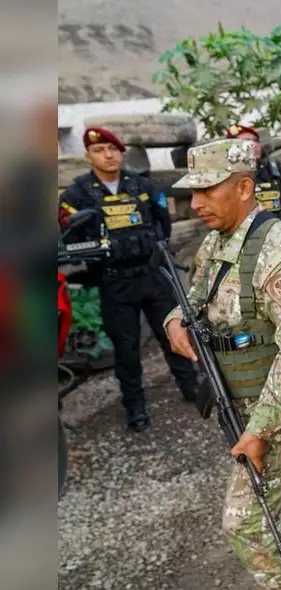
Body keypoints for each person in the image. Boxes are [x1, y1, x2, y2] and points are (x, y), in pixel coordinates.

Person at [164, 138, 281, 589]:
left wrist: (259, 431)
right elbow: (193, 302)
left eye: (208, 190)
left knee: (244, 521)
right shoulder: (216, 243)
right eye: (193, 192)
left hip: (277, 409)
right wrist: (175, 323)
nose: (195, 204)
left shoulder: (277, 251)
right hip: (241, 396)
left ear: (245, 186)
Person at [58, 126, 200, 431]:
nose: (108, 155)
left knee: (173, 334)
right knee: (126, 347)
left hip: (152, 275)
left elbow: (163, 225)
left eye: (113, 149)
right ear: (88, 156)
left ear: (121, 153)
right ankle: (135, 406)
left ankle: (192, 388)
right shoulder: (77, 194)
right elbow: (71, 236)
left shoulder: (144, 186)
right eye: (99, 150)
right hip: (114, 281)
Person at [225, 124, 281, 223]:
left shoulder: (271, 169)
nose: (254, 144)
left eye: (255, 140)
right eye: (247, 141)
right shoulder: (227, 176)